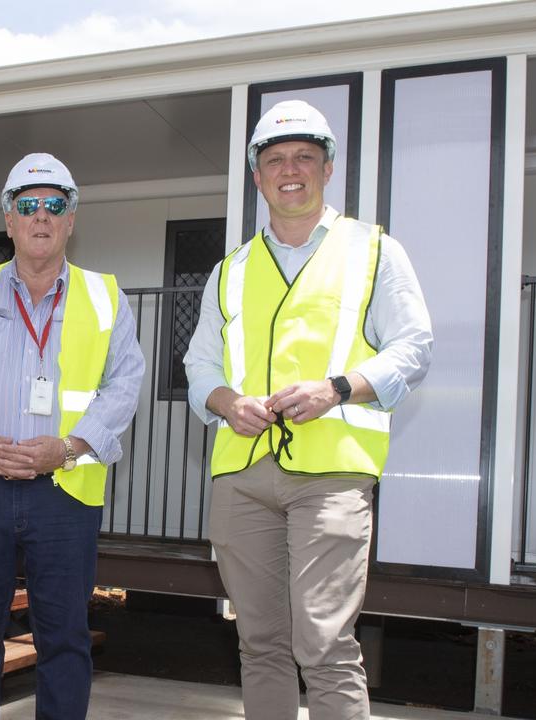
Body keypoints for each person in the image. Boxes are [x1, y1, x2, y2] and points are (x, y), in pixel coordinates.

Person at [184, 100, 433, 720]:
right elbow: (199, 367)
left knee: (324, 642)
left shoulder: (374, 250)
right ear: (257, 176)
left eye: (303, 157)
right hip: (242, 476)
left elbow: (415, 346)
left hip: (333, 473)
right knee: (260, 642)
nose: (289, 169)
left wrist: (338, 389)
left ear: (326, 169)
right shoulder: (230, 270)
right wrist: (227, 402)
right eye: (275, 159)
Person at [0, 153, 144, 719]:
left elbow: (126, 382)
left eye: (54, 205)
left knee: (64, 641)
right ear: (9, 219)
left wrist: (68, 448)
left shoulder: (105, 297)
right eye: (27, 205)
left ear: (72, 219)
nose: (40, 216)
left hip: (64, 494)